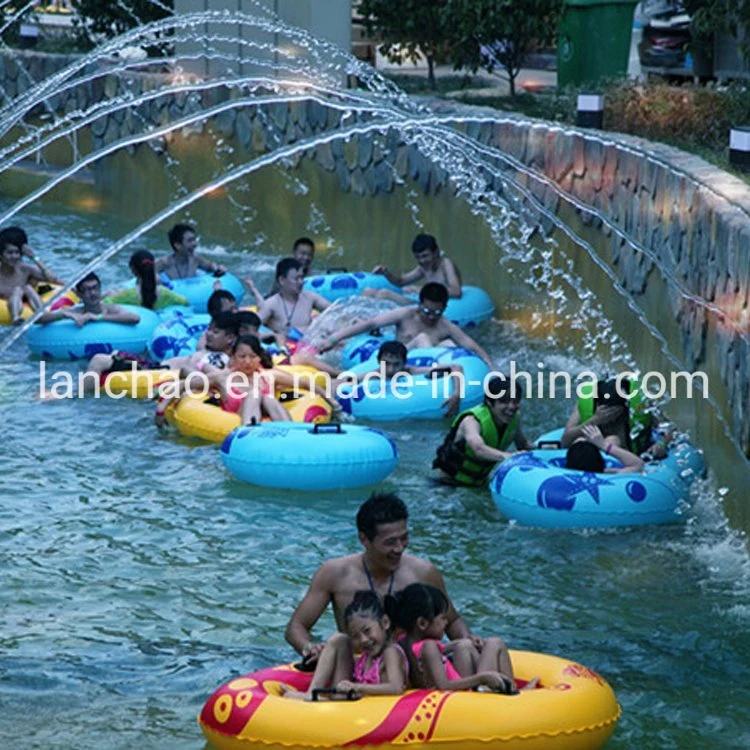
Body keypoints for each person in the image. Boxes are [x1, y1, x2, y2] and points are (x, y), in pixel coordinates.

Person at [284, 492, 474, 665]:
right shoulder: (334, 574)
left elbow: (453, 621)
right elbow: (296, 627)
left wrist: (467, 642)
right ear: (364, 539)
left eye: (404, 538)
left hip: (413, 668)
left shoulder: (423, 573)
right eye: (390, 542)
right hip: (358, 667)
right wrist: (310, 647)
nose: (399, 548)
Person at [319, 283, 494, 369]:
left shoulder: (445, 325)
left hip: (427, 365)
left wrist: (491, 367)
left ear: (444, 309)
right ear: (419, 304)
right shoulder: (405, 315)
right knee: (423, 338)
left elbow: (471, 345)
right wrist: (334, 339)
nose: (430, 316)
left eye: (436, 312)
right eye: (426, 310)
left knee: (450, 345)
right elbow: (371, 323)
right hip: (399, 361)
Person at [386, 583, 517, 694]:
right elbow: (444, 686)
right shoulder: (429, 647)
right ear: (422, 623)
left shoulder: (405, 641)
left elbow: (431, 659)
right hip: (463, 696)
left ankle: (505, 687)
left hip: (457, 692)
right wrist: (482, 678)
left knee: (463, 646)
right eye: (442, 618)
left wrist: (457, 643)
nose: (446, 622)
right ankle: (512, 690)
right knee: (495, 643)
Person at [282, 590, 408, 701]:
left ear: (385, 623)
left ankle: (310, 697)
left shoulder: (390, 652)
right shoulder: (367, 656)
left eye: (367, 630)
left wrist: (356, 686)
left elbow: (396, 687)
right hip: (351, 702)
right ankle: (312, 691)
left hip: (373, 711)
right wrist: (326, 657)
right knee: (340, 639)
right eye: (355, 636)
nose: (363, 640)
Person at [433, 376, 534, 486]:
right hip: (447, 484)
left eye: (515, 401)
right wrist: (507, 456)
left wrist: (548, 448)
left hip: (480, 484)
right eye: (504, 401)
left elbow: (523, 444)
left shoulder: (514, 418)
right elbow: (478, 448)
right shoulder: (472, 421)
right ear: (490, 402)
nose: (511, 406)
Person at [342, 341, 463, 418]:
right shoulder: (371, 376)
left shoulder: (410, 371)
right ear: (378, 361)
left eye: (396, 365)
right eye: (386, 364)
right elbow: (343, 383)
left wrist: (456, 393)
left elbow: (456, 367)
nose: (390, 369)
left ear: (404, 363)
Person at [368, 233, 462, 303]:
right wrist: (386, 273)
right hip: (423, 301)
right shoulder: (424, 268)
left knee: (384, 294)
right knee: (369, 291)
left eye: (425, 256)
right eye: (418, 257)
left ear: (436, 252)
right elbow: (401, 281)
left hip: (433, 307)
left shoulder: (446, 264)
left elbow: (456, 291)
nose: (422, 261)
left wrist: (423, 290)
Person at [0, 227, 61, 325]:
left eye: (18, 252)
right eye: (10, 253)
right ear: (1, 255)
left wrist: (33, 257)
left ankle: (42, 314)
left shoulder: (26, 269)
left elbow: (52, 279)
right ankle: (15, 317)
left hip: (26, 306)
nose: (15, 256)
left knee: (23, 288)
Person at [37, 272, 140, 327]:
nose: (93, 293)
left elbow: (135, 318)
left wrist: (98, 317)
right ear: (79, 294)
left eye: (95, 288)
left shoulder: (110, 309)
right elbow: (37, 319)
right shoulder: (76, 312)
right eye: (87, 290)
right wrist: (65, 314)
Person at [103, 250, 189, 310]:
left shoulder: (128, 295)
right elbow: (185, 302)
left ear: (133, 271)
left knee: (109, 293)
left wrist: (111, 294)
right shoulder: (165, 293)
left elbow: (104, 304)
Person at [246, 237, 317, 305]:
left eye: (310, 255)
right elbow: (273, 294)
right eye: (303, 254)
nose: (306, 258)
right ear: (294, 253)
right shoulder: (285, 271)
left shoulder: (314, 276)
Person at [155, 223, 226, 280]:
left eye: (194, 239)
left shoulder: (195, 258)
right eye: (190, 240)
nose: (194, 244)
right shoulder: (165, 262)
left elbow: (209, 266)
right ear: (177, 245)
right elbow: (148, 274)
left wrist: (218, 268)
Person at [565, 424, 645, 474]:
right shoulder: (610, 477)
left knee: (580, 440)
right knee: (613, 440)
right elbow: (638, 464)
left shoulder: (563, 477)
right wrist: (603, 445)